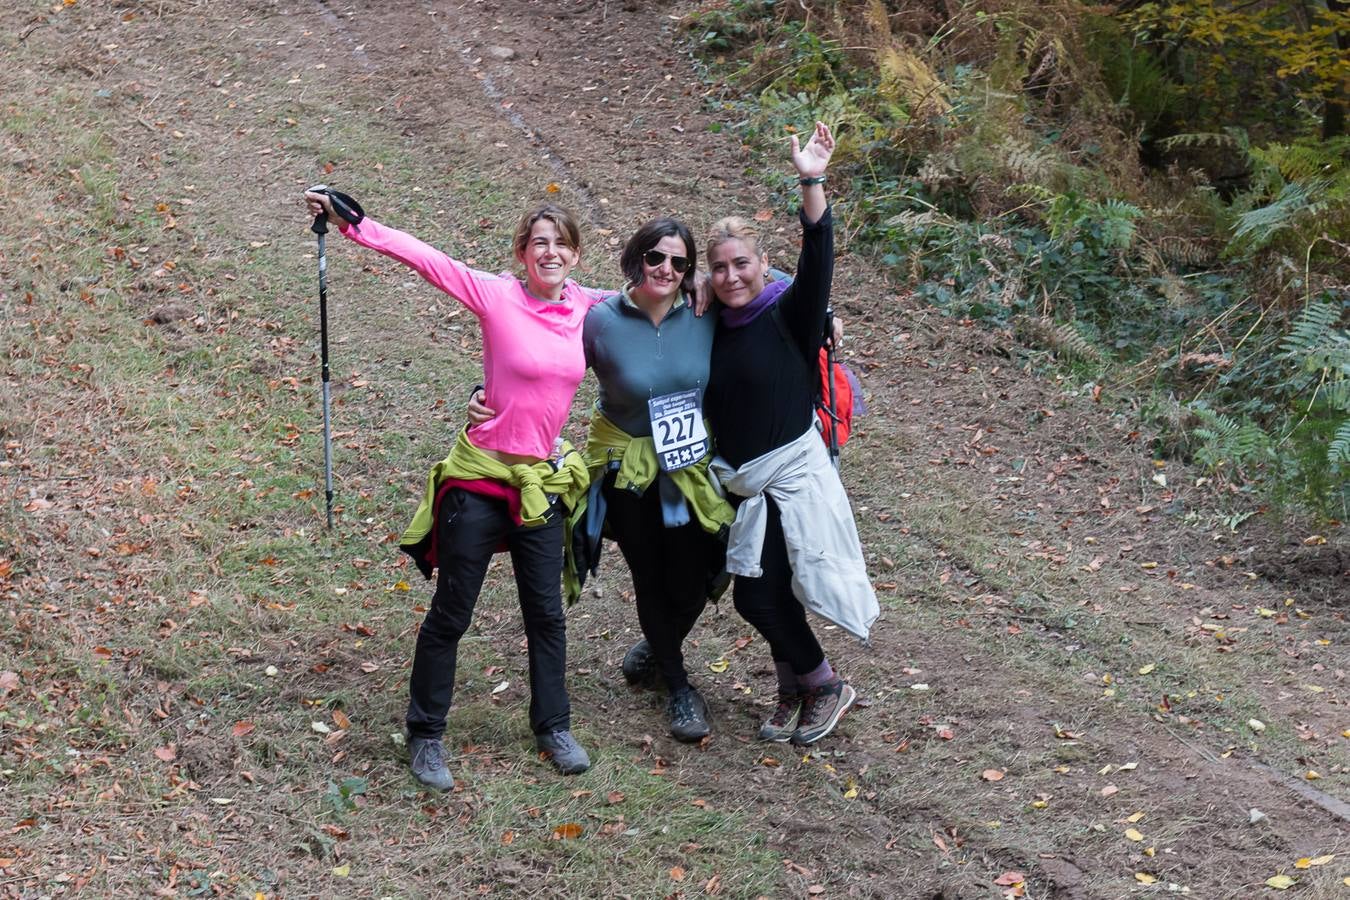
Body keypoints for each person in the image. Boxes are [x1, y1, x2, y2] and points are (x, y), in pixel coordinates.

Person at [303, 189, 605, 790]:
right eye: (538, 243)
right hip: (481, 477)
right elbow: (426, 259)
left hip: (541, 481)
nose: (550, 252)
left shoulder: (589, 307)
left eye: (560, 244)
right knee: (452, 612)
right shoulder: (497, 295)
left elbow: (664, 297)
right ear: (522, 252)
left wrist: (769, 291)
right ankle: (426, 735)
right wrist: (354, 223)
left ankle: (553, 726)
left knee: (546, 614)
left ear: (574, 255)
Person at [471, 218, 736, 743]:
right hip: (624, 465)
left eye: (680, 263)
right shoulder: (600, 318)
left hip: (690, 464)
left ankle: (656, 649)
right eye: (656, 257)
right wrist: (489, 394)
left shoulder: (707, 312)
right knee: (652, 574)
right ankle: (679, 685)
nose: (666, 269)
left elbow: (762, 279)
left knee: (702, 570)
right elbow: (543, 355)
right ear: (636, 258)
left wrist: (825, 313)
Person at [701, 121, 879, 746]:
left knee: (758, 595)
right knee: (762, 591)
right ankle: (794, 684)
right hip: (743, 480)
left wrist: (811, 180)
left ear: (763, 264)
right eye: (718, 268)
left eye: (740, 264)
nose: (730, 277)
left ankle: (824, 682)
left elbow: (820, 251)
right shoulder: (711, 323)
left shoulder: (788, 313)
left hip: (791, 474)